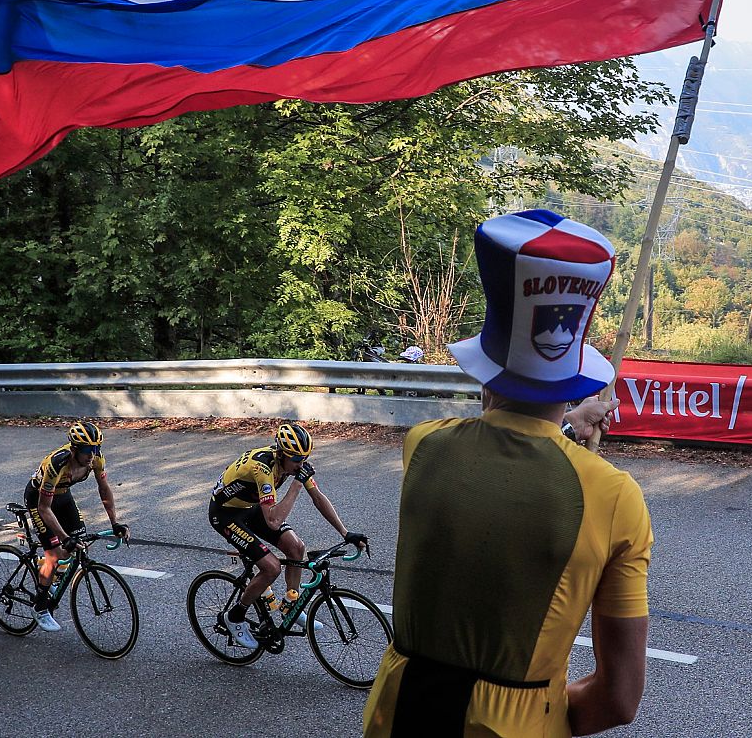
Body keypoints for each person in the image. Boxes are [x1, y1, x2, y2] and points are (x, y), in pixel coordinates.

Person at [363, 210, 652, 738]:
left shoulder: (423, 446)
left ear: (484, 368)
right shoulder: (615, 497)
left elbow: (498, 457)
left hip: (399, 717)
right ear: (573, 383)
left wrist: (564, 427)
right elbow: (618, 699)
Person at [208, 421, 368, 651]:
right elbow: (273, 521)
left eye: (304, 459)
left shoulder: (293, 464)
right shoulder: (262, 468)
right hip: (225, 515)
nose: (301, 464)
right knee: (271, 567)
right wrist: (296, 485)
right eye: (296, 460)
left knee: (296, 548)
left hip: (249, 508)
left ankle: (290, 604)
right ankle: (234, 617)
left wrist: (345, 532)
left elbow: (318, 498)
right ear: (281, 454)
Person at [24, 421, 128, 632]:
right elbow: (44, 508)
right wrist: (63, 537)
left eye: (96, 448)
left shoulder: (96, 460)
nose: (92, 454)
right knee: (55, 555)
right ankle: (40, 606)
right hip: (39, 499)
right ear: (74, 449)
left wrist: (115, 523)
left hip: (63, 497)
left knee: (80, 545)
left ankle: (48, 573)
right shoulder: (57, 464)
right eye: (87, 449)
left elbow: (104, 489)